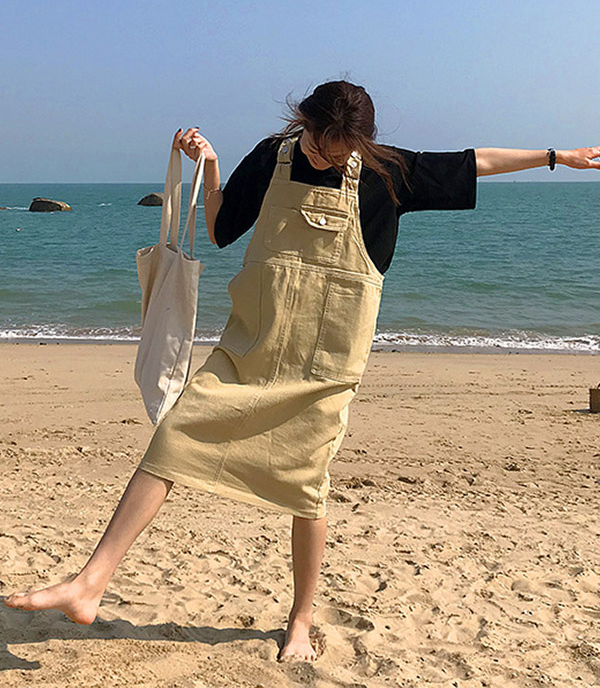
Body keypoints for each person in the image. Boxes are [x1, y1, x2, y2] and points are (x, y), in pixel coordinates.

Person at [3, 80, 600, 663]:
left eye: (337, 151)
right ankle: (89, 584)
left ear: (360, 142)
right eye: (317, 143)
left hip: (326, 365)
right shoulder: (273, 157)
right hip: (251, 345)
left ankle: (301, 618)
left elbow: (475, 161)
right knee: (172, 439)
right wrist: (211, 166)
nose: (322, 156)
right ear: (303, 123)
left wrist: (556, 156)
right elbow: (220, 229)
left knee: (308, 488)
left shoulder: (388, 173)